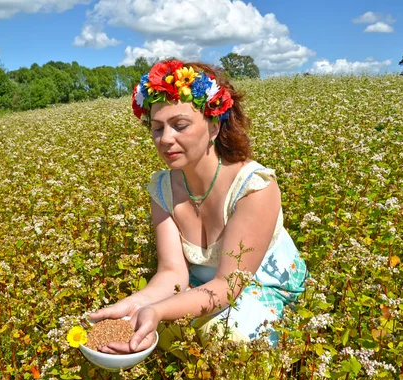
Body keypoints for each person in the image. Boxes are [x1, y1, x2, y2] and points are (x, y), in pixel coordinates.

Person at [88, 59, 308, 354]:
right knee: (143, 327)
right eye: (157, 128)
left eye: (180, 125)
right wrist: (137, 304)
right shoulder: (163, 189)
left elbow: (228, 286)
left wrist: (157, 311)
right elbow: (171, 274)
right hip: (204, 288)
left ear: (214, 127)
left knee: (225, 337)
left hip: (263, 288)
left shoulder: (253, 187)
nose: (165, 139)